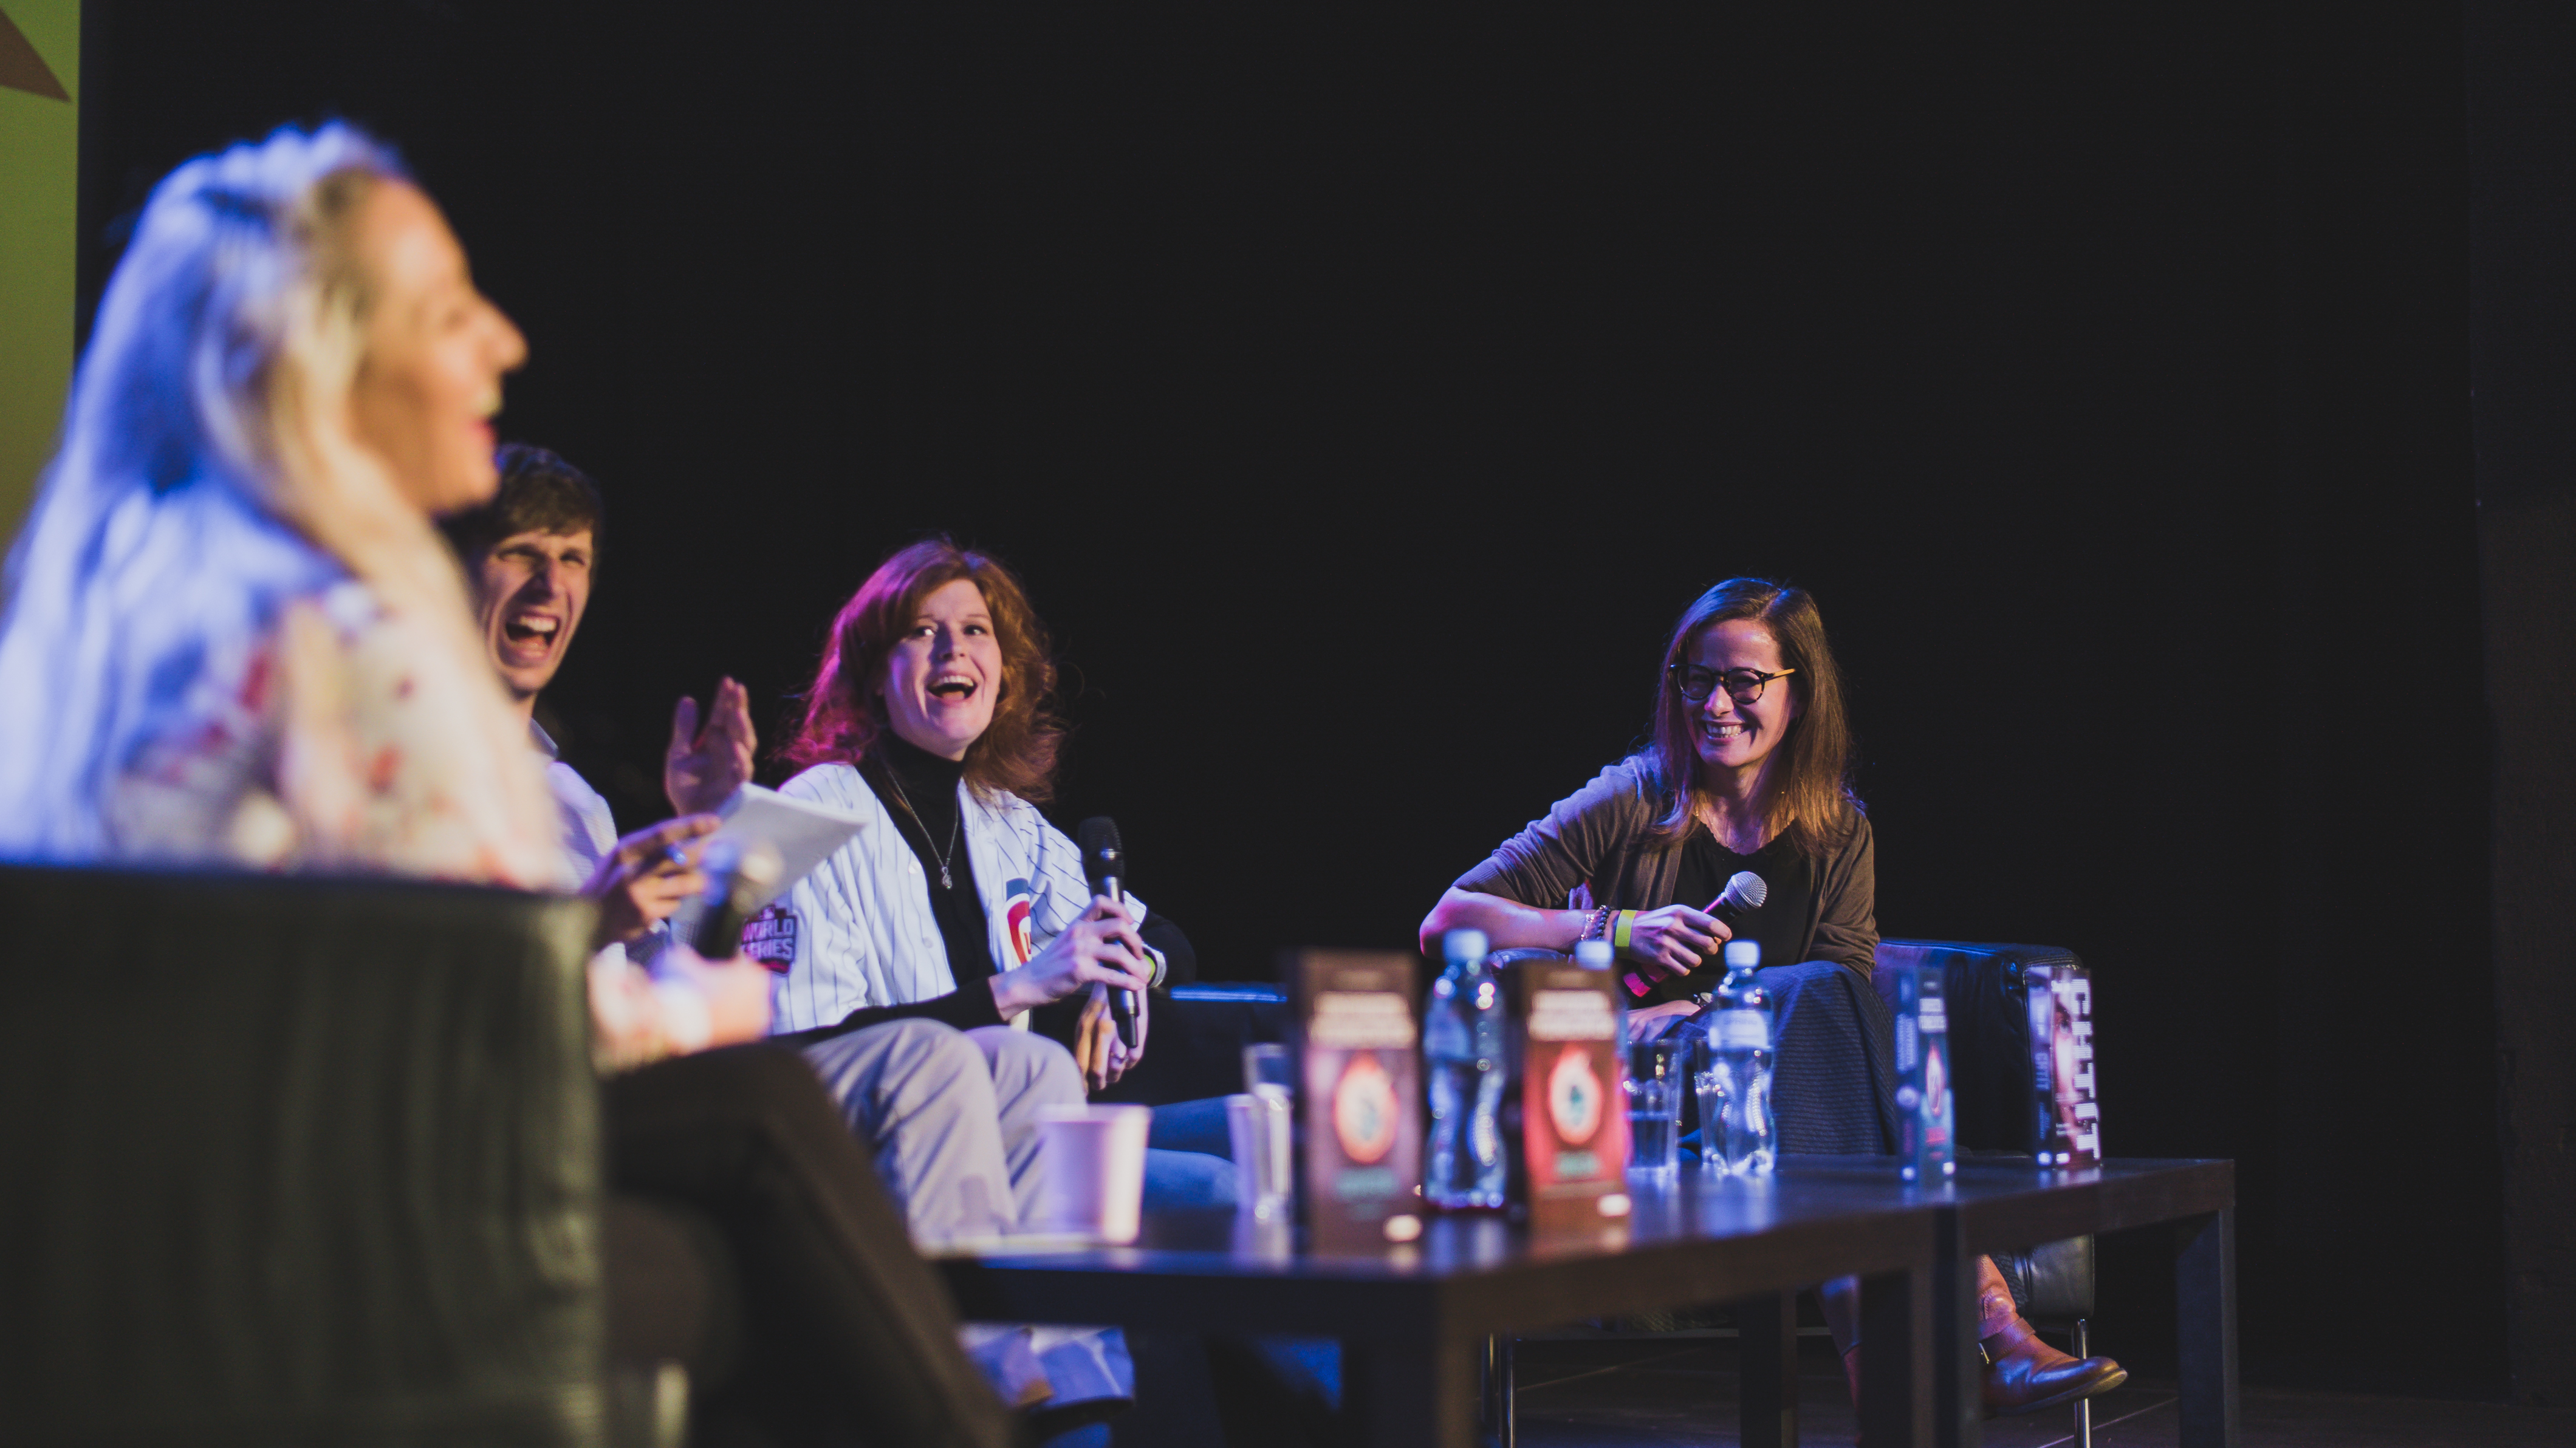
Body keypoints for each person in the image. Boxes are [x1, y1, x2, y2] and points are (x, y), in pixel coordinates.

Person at [0, 123, 1014, 1447]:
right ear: (316, 362)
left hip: (129, 1224)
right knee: (767, 1164)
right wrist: (697, 1001)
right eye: (445, 310)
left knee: (765, 1221)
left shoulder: (85, 624)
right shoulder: (349, 647)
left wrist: (689, 897)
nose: (502, 339)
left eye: (573, 560)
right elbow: (478, 1025)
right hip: (336, 1213)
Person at [1419, 577, 2126, 1421]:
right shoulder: (1636, 798)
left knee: (1829, 1015)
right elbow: (1448, 919)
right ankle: (1991, 1331)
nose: (1716, 704)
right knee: (1824, 1008)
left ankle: (1899, 1392)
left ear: (1800, 693)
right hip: (1653, 1091)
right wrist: (1613, 929)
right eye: (1697, 679)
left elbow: (1846, 996)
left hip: (1777, 1097)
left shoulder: (1840, 832)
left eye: (1745, 682)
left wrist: (1716, 1012)